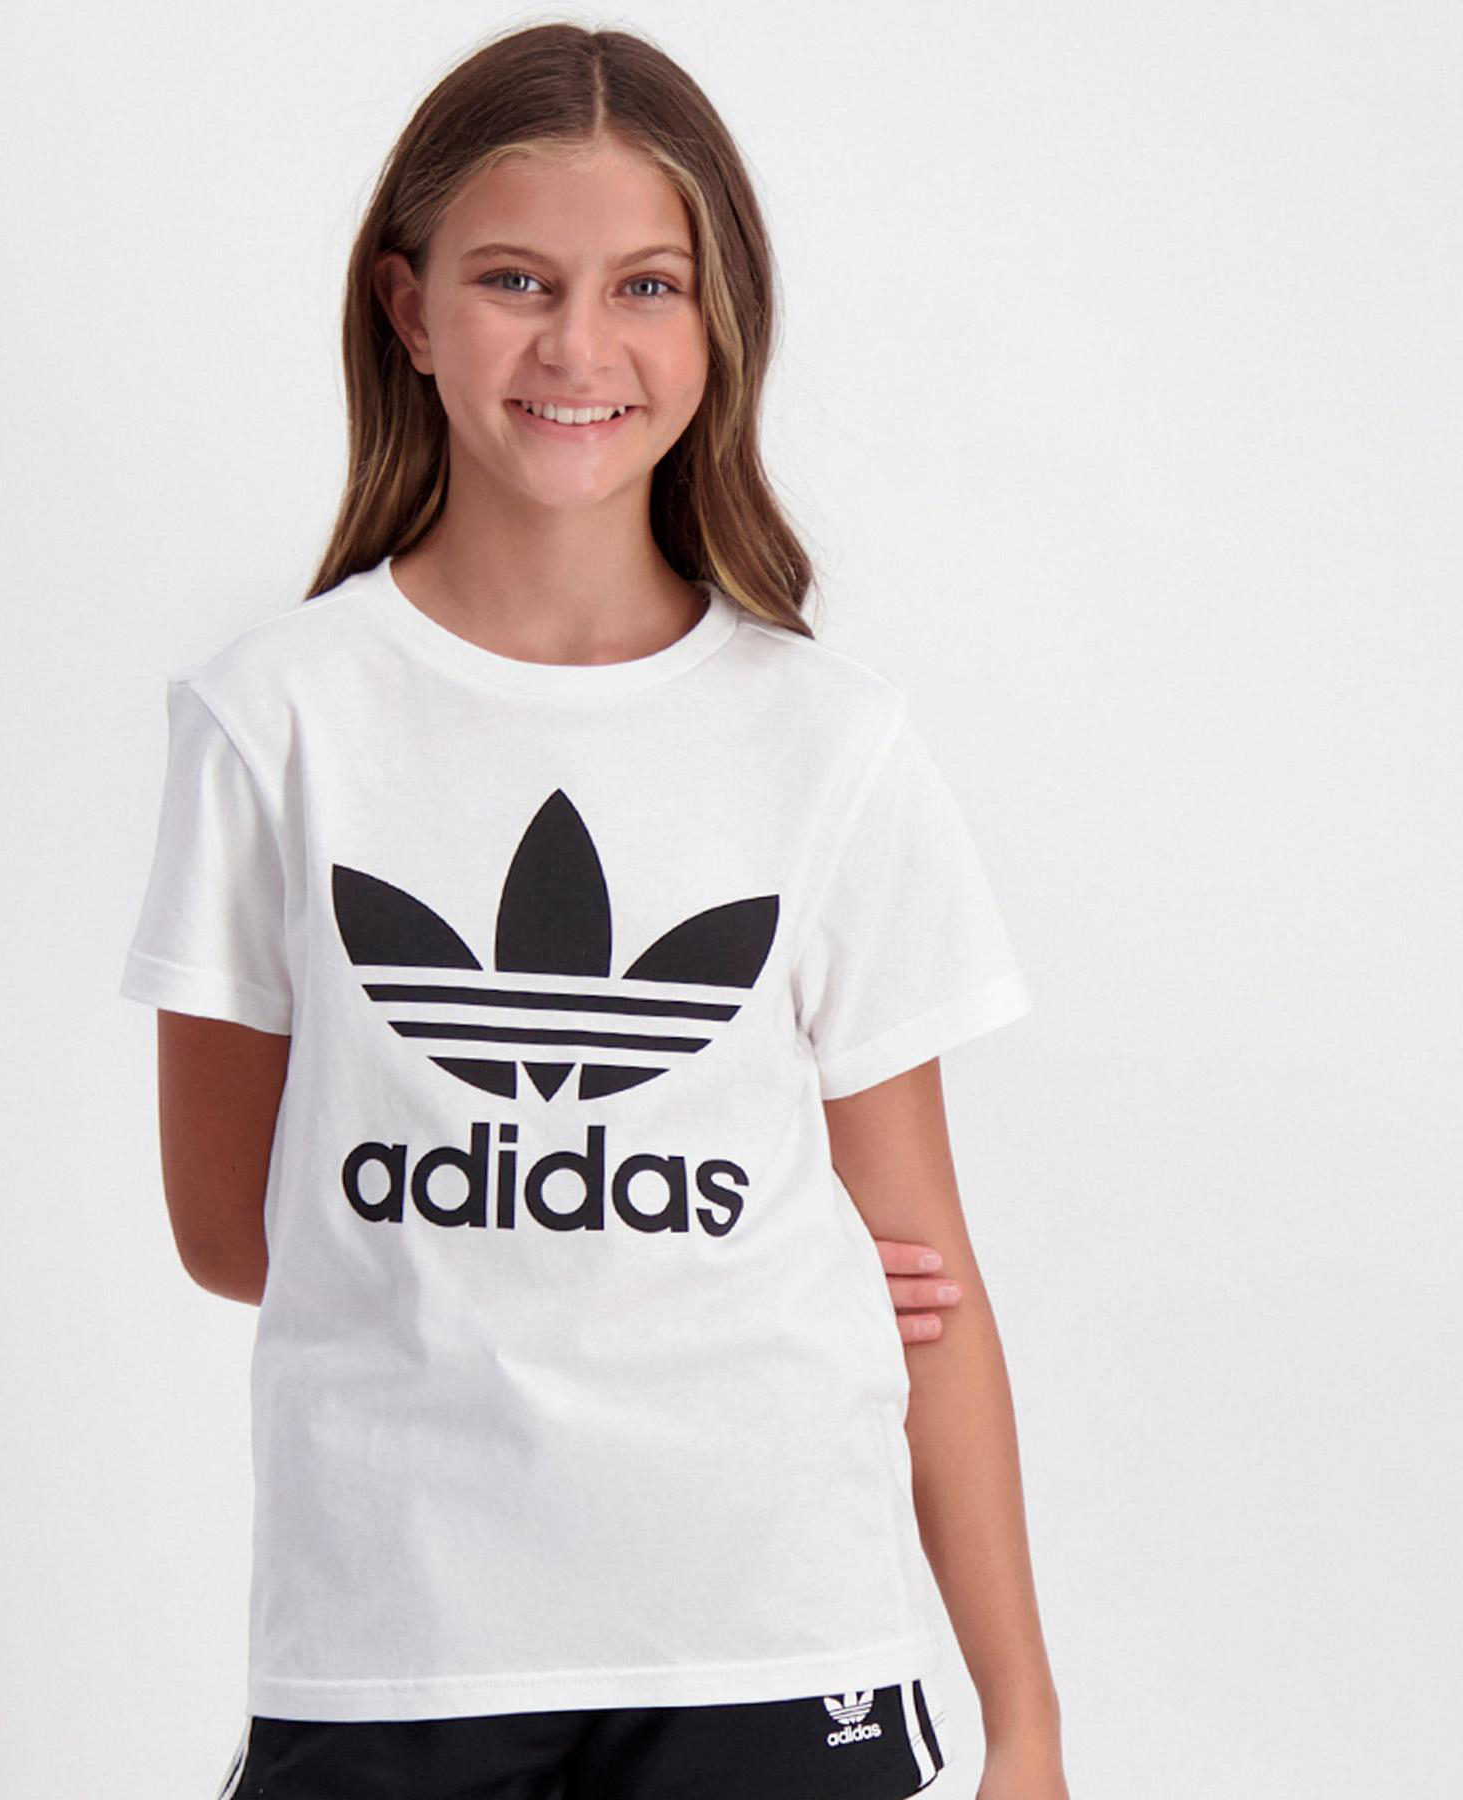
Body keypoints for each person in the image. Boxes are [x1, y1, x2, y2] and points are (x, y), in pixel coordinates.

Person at [119, 22, 1068, 1800]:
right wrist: (617, 1251)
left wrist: (1025, 1726)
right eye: (514, 280)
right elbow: (236, 1230)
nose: (578, 345)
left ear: (719, 324)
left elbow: (926, 1274)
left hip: (776, 1637)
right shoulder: (276, 720)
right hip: (392, 1649)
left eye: (646, 284)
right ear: (407, 309)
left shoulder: (831, 742)